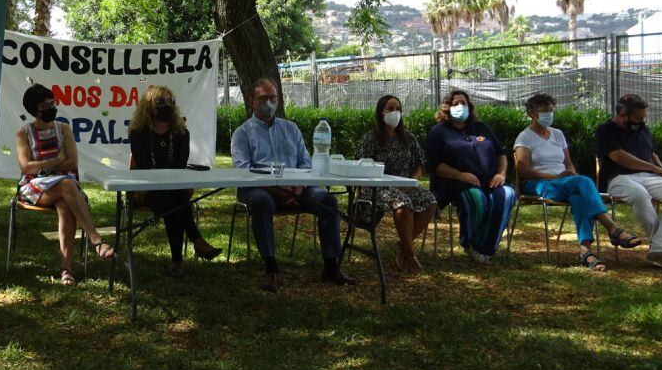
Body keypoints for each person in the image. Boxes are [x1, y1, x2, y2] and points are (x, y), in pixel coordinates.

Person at [230, 77, 352, 292]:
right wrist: (278, 191)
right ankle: (271, 268)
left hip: (298, 188)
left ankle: (331, 266)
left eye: (273, 98)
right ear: (251, 101)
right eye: (263, 98)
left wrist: (299, 187)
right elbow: (244, 171)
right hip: (261, 190)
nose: (269, 103)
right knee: (260, 202)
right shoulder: (242, 134)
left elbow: (306, 163)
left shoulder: (291, 129)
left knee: (327, 201)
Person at [513, 92, 636, 272]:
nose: (549, 114)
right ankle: (612, 228)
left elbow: (568, 163)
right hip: (539, 184)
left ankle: (586, 252)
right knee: (583, 183)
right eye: (544, 111)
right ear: (532, 113)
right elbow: (522, 171)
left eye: (551, 110)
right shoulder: (525, 137)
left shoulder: (557, 134)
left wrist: (570, 174)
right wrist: (555, 178)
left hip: (565, 182)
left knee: (579, 194)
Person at [15, 83, 115, 286]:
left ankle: (66, 270)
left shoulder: (64, 129)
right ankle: (96, 240)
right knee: (67, 185)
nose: (52, 107)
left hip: (63, 187)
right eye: (46, 105)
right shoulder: (23, 133)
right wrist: (57, 160)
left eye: (53, 102)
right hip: (35, 187)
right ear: (35, 109)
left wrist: (43, 165)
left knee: (65, 205)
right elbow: (26, 168)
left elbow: (73, 163)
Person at [128, 85, 221, 276]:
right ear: (149, 107)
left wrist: (173, 181)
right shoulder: (138, 133)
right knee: (176, 202)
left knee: (173, 202)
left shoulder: (181, 133)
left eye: (171, 102)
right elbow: (145, 168)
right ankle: (194, 243)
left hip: (173, 189)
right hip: (144, 189)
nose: (167, 106)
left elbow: (180, 166)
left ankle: (178, 261)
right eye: (161, 102)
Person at [595, 93, 662, 271]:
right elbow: (619, 156)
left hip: (649, 176)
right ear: (622, 114)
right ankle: (661, 250)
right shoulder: (605, 130)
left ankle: (659, 249)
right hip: (618, 178)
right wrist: (653, 168)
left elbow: (650, 153)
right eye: (637, 118)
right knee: (640, 195)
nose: (641, 122)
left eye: (643, 118)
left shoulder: (641, 129)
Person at [425, 89, 517, 264]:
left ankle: (485, 247)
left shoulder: (482, 128)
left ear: (470, 106)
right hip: (455, 183)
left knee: (507, 195)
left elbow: (501, 153)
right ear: (447, 108)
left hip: (490, 180)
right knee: (476, 199)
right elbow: (435, 166)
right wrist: (460, 175)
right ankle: (470, 243)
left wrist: (501, 173)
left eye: (463, 103)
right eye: (455, 104)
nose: (460, 106)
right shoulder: (438, 132)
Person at [355, 95, 436, 274]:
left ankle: (402, 247)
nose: (395, 113)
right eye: (390, 109)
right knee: (402, 204)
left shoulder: (408, 138)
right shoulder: (370, 139)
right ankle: (411, 256)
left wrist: (410, 182)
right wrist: (390, 186)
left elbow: (420, 164)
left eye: (398, 108)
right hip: (377, 188)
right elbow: (361, 167)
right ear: (380, 112)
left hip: (405, 185)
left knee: (430, 201)